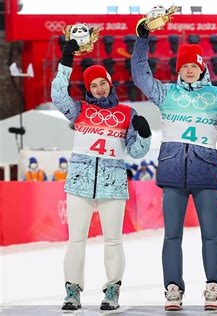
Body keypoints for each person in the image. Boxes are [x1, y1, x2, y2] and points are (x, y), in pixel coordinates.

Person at [132, 20, 217, 311]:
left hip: (205, 171)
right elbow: (140, 75)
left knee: (211, 233)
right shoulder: (166, 93)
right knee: (172, 235)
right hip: (172, 173)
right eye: (184, 66)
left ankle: (213, 287)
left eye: (193, 65)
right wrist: (143, 38)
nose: (189, 70)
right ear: (179, 70)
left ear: (202, 67)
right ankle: (173, 288)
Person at [51, 39, 151, 311]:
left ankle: (113, 289)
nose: (98, 89)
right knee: (76, 240)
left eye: (102, 83)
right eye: (92, 85)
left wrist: (144, 133)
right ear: (88, 89)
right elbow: (59, 95)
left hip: (113, 185)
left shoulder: (126, 114)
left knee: (113, 239)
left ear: (110, 83)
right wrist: (66, 61)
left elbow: (138, 151)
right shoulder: (80, 109)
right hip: (80, 184)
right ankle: (72, 290)